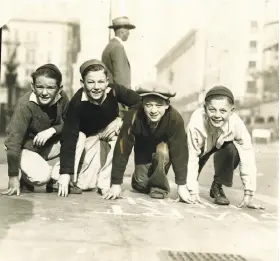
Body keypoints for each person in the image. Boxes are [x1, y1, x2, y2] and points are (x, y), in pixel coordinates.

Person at [57, 59, 140, 197]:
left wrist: (122, 120)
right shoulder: (77, 103)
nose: (96, 87)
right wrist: (65, 173)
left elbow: (139, 102)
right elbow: (69, 137)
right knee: (85, 184)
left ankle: (106, 183)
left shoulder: (114, 90)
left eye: (101, 82)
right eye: (90, 82)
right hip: (87, 138)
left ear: (107, 81)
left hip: (108, 132)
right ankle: (60, 177)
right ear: (82, 83)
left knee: (121, 138)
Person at [103, 81, 192, 203]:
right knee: (141, 185)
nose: (153, 110)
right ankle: (141, 179)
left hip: (162, 154)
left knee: (163, 150)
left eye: (159, 106)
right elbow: (122, 149)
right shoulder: (133, 116)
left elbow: (179, 152)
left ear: (167, 105)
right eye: (149, 105)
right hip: (143, 152)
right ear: (142, 104)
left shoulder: (175, 119)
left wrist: (182, 186)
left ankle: (159, 187)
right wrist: (116, 184)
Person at [186, 85, 262, 208]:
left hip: (221, 144)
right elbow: (191, 157)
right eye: (212, 109)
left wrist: (249, 193)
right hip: (201, 148)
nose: (217, 115)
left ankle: (217, 186)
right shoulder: (196, 124)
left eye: (223, 111)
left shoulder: (236, 124)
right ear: (205, 108)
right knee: (188, 185)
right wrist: (192, 191)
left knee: (232, 149)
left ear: (231, 111)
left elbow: (247, 156)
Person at [2, 64, 68, 196]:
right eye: (40, 87)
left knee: (79, 138)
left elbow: (72, 124)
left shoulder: (62, 98)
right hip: (25, 147)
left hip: (47, 144)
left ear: (59, 89)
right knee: (42, 177)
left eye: (50, 88)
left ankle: (56, 178)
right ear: (32, 86)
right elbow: (13, 141)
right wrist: (13, 176)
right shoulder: (25, 105)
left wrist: (52, 130)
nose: (44, 92)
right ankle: (26, 179)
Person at [102, 16, 135, 89]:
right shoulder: (117, 47)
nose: (129, 33)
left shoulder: (110, 46)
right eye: (128, 30)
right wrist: (126, 96)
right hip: (117, 96)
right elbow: (120, 77)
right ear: (122, 31)